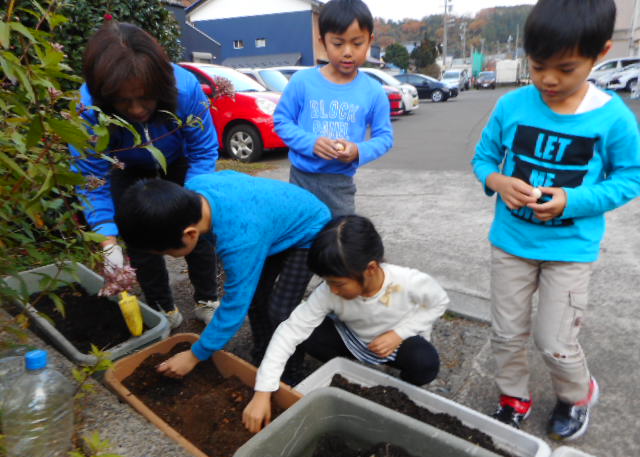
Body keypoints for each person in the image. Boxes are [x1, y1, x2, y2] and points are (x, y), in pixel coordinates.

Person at [471, 0, 640, 441]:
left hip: (570, 250)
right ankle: (513, 397)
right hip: (510, 243)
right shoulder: (512, 105)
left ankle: (577, 395)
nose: (548, 79)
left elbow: (630, 178)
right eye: (538, 65)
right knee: (506, 332)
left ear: (600, 52)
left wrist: (572, 198)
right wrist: (499, 181)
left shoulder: (614, 118)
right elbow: (484, 158)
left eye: (565, 68)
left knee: (555, 342)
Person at [69, 21, 220, 327]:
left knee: (197, 231)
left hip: (180, 162)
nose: (137, 110)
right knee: (140, 239)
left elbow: (203, 151)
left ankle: (206, 299)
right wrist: (107, 240)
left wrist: (192, 201)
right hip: (127, 167)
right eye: (124, 101)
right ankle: (162, 308)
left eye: (146, 98)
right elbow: (91, 179)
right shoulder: (87, 111)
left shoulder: (185, 88)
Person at [242, 215, 449, 433]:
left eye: (338, 283)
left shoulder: (408, 281)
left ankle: (399, 389)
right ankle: (341, 368)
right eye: (327, 282)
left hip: (396, 341)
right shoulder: (329, 292)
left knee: (424, 363)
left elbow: (439, 302)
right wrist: (263, 391)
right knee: (303, 331)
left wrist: (399, 333)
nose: (332, 290)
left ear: (371, 269)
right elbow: (290, 330)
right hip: (352, 337)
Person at [115, 171, 331, 379]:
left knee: (280, 310)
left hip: (308, 229)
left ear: (190, 234)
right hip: (271, 224)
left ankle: (292, 372)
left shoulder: (240, 241)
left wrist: (194, 354)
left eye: (168, 253)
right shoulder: (195, 188)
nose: (170, 257)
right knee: (257, 297)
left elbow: (235, 304)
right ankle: (264, 353)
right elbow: (234, 177)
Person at [273, 0, 393, 217]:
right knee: (300, 242)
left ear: (369, 41)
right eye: (338, 44)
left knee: (339, 244)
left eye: (357, 44)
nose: (348, 52)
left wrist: (358, 151)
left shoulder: (374, 91)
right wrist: (311, 143)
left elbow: (384, 137)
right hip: (301, 179)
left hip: (341, 185)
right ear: (322, 42)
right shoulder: (302, 81)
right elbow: (282, 121)